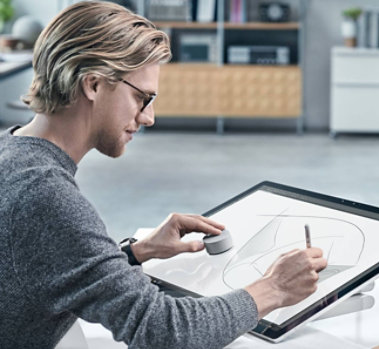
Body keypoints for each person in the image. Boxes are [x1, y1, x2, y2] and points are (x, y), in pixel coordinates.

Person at [0, 2, 327, 348]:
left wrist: (136, 252)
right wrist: (273, 288)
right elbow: (164, 332)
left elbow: (46, 261)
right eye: (143, 98)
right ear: (93, 85)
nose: (148, 117)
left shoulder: (13, 151)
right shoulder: (44, 196)